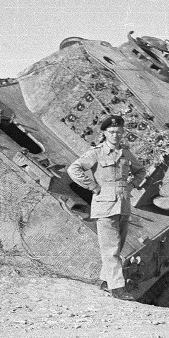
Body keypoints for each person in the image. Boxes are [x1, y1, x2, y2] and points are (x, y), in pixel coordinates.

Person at [67, 115, 146, 301]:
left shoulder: (126, 154)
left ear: (122, 133)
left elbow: (141, 170)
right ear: (104, 133)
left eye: (119, 132)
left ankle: (105, 281)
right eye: (111, 132)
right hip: (104, 206)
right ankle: (117, 287)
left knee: (117, 246)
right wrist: (93, 187)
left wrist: (133, 184)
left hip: (123, 204)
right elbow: (74, 169)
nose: (115, 135)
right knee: (110, 248)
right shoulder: (96, 153)